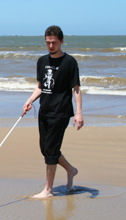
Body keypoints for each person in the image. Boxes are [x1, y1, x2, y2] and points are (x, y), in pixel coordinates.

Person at [23, 25, 84, 199]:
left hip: (61, 112)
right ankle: (71, 170)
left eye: (54, 43)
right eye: (48, 42)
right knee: (46, 148)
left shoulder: (70, 62)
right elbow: (40, 87)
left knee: (50, 150)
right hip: (44, 110)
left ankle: (48, 190)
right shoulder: (42, 61)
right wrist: (29, 101)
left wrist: (79, 113)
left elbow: (76, 89)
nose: (51, 46)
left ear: (61, 41)